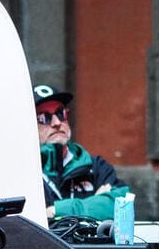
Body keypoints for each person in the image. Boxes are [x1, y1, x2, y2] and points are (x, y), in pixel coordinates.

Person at [35, 84, 125, 221]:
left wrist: (55, 210)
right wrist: (95, 202)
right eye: (43, 118)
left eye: (61, 113)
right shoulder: (24, 172)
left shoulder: (96, 167)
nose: (57, 122)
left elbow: (122, 205)